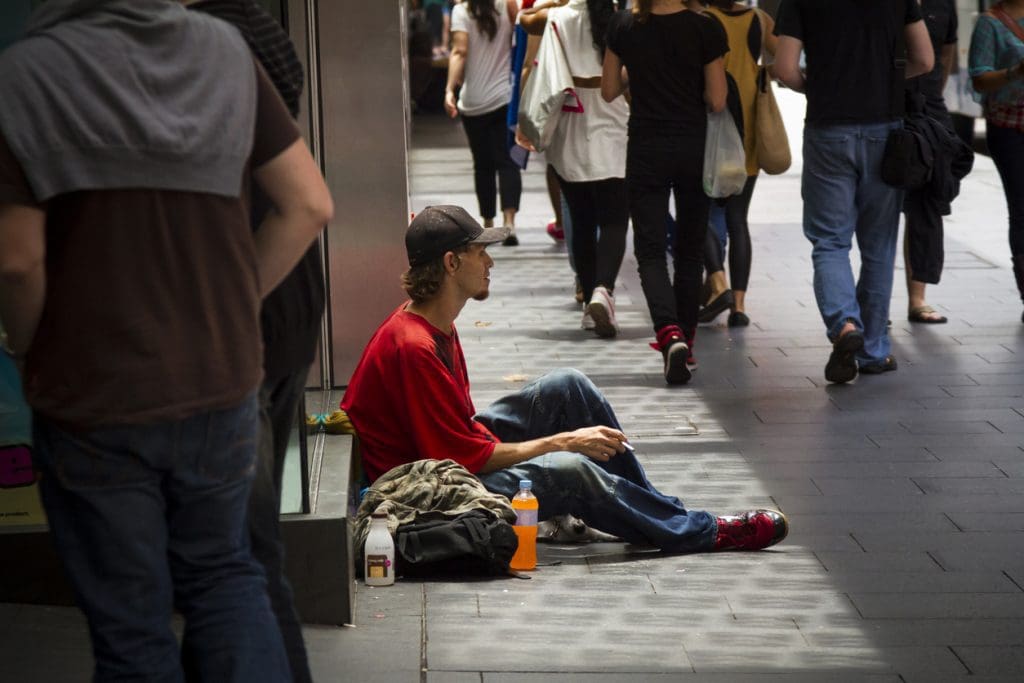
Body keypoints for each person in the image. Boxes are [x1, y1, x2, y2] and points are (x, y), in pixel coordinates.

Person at [0, 0, 333, 680]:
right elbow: (309, 204)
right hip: (219, 384)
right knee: (227, 578)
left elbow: (16, 259)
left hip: (93, 398)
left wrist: (31, 343)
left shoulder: (23, 74)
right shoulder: (224, 53)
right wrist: (236, 304)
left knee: (132, 626)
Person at [341, 205, 788, 555]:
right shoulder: (414, 347)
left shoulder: (435, 324)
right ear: (451, 263)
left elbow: (460, 432)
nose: (491, 261)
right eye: (481, 253)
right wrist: (564, 442)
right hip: (422, 488)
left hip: (446, 453)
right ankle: (700, 532)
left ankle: (659, 515)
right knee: (571, 469)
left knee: (568, 384)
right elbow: (460, 460)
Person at [186, 1, 321, 681]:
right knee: (245, 552)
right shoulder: (259, 30)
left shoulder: (207, 42)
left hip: (248, 317)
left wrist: (225, 307)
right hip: (288, 306)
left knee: (240, 554)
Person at [773, 0, 933, 383]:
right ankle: (874, 350)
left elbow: (784, 69)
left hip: (828, 129)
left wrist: (820, 85)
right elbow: (925, 59)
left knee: (830, 241)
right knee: (879, 245)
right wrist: (885, 80)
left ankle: (845, 326)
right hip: (886, 130)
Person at [602, 0, 728, 384]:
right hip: (694, 147)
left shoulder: (623, 26)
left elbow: (608, 89)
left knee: (651, 250)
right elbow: (718, 98)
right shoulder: (706, 28)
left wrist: (637, 79)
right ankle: (686, 342)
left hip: (645, 147)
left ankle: (667, 332)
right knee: (690, 251)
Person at [521, 0, 629, 338]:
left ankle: (587, 305)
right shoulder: (619, 20)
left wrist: (556, 3)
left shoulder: (558, 17)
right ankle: (603, 290)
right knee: (614, 219)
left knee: (581, 221)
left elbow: (524, 20)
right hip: (613, 121)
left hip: (570, 124)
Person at [697, 1, 778, 329]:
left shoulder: (703, 20)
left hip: (713, 129)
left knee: (699, 214)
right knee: (738, 220)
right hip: (748, 133)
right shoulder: (759, 20)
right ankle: (739, 307)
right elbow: (781, 56)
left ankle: (720, 284)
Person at [446, 0, 522, 244]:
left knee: (483, 164)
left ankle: (487, 224)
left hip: (474, 101)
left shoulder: (462, 11)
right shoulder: (507, 5)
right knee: (508, 161)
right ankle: (509, 223)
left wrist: (449, 89)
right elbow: (520, 37)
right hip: (504, 97)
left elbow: (459, 52)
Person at [902, 0, 959, 326]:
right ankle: (874, 295)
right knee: (881, 204)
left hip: (930, 108)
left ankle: (917, 298)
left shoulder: (944, 4)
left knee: (927, 202)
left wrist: (932, 95)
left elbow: (946, 55)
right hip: (889, 105)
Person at [969, 0, 1024, 322]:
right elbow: (979, 79)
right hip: (1010, 129)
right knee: (1021, 208)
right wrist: (1016, 71)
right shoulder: (990, 24)